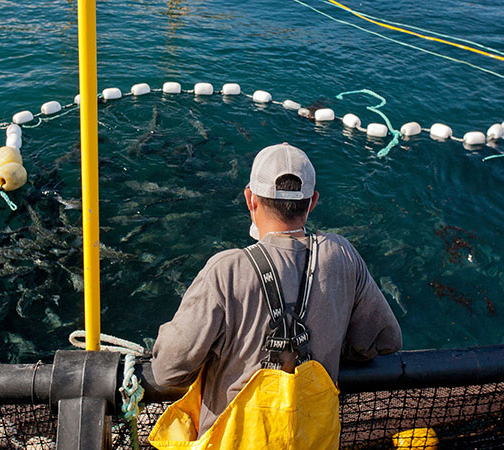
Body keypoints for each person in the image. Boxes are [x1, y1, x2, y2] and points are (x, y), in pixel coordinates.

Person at [151, 142, 402, 438]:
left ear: (250, 199)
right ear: (312, 202)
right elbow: (385, 339)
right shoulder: (342, 255)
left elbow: (168, 371)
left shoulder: (226, 270)